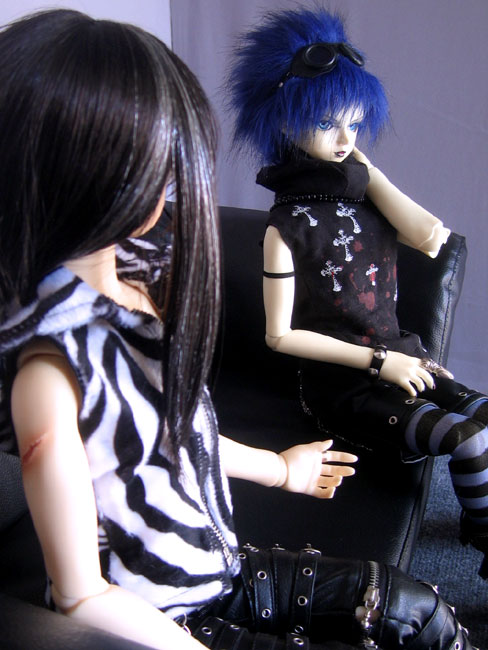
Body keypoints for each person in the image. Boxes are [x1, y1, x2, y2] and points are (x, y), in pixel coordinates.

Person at [0, 9, 473, 650]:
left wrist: (280, 469)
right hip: (160, 615)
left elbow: (178, 433)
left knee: (417, 612)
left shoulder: (141, 276)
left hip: (220, 565)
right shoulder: (50, 371)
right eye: (141, 163)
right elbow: (81, 594)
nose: (169, 181)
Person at [227, 5, 488, 583]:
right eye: (328, 124)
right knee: (470, 441)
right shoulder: (285, 227)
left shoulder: (362, 192)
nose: (346, 138)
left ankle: (479, 518)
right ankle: (484, 544)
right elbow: (279, 336)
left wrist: (369, 174)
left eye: (355, 122)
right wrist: (379, 362)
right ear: (286, 124)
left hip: (403, 355)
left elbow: (431, 237)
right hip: (345, 385)